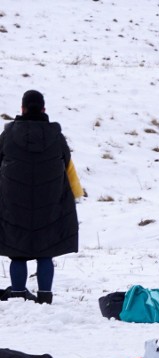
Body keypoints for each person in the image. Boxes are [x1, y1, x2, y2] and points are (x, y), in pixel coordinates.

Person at [0, 90, 80, 304]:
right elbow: (67, 163)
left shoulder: (8, 135)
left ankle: (17, 294)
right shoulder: (56, 136)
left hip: (13, 203)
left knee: (17, 251)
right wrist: (76, 192)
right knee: (46, 250)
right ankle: (45, 296)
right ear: (43, 109)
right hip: (50, 202)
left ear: (22, 109)